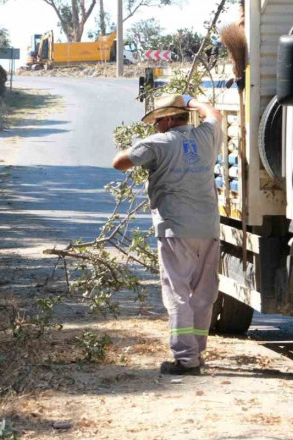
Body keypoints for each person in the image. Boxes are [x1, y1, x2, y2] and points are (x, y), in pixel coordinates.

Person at [111, 94, 223, 376]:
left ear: (171, 119)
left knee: (177, 292)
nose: (156, 126)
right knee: (203, 294)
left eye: (159, 120)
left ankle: (186, 360)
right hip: (208, 229)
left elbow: (119, 163)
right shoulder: (207, 136)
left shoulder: (158, 144)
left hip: (176, 231)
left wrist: (137, 147)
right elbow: (215, 115)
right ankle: (197, 352)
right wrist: (193, 100)